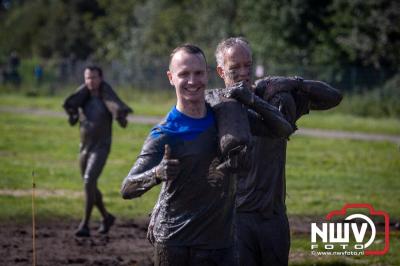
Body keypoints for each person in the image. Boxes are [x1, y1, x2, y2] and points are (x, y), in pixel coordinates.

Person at [120, 44, 291, 266]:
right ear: (171, 78)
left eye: (198, 73)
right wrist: (157, 173)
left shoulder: (227, 117)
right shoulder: (165, 133)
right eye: (184, 74)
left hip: (222, 245)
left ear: (208, 75)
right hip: (177, 243)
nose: (193, 81)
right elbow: (127, 188)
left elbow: (282, 130)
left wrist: (252, 100)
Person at [215, 37, 343, 266]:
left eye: (248, 65)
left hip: (273, 218)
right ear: (221, 71)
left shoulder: (275, 99)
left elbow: (334, 97)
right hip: (235, 220)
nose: (244, 73)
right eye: (235, 68)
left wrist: (296, 83)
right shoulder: (216, 109)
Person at [63, 66, 132, 237]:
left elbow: (119, 116)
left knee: (88, 181)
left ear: (100, 78)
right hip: (84, 148)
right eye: (87, 78)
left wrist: (121, 118)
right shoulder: (83, 98)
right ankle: (106, 217)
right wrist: (72, 115)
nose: (90, 81)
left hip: (101, 148)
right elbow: (73, 119)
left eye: (93, 77)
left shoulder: (107, 98)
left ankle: (84, 224)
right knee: (91, 185)